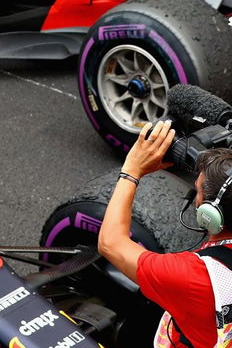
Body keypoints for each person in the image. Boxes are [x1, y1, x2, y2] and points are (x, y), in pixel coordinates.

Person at [98, 120, 232, 347]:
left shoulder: (195, 277)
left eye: (198, 190)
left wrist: (132, 169)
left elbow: (110, 243)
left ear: (210, 215)